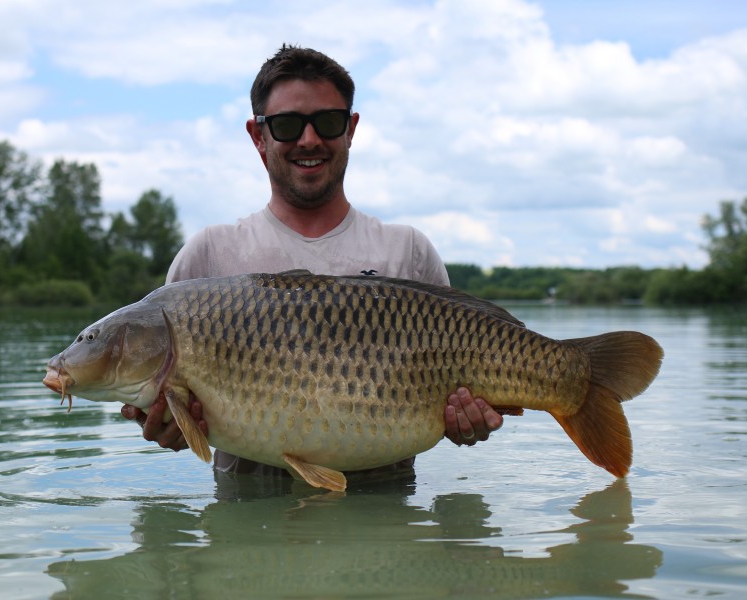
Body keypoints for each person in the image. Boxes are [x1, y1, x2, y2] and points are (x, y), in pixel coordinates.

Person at [121, 44, 503, 478]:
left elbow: (461, 409)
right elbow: (171, 419)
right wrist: (168, 426)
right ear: (257, 136)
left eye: (327, 122)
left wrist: (466, 420)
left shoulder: (408, 252)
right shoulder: (206, 259)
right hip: (246, 525)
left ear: (350, 129)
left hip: (388, 519)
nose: (309, 140)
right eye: (286, 125)